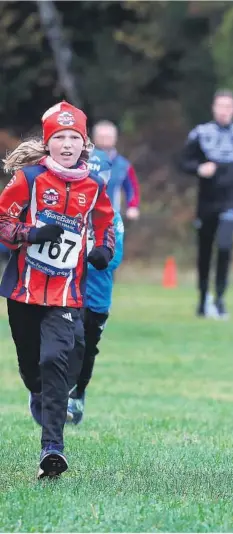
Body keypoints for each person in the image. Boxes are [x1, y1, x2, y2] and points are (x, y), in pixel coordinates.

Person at [0, 101, 115, 478]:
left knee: (56, 361)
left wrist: (103, 250)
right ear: (48, 142)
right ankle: (38, 392)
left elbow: (106, 225)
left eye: (74, 138)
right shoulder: (29, 179)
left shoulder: (94, 185)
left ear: (84, 144)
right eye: (60, 137)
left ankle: (52, 449)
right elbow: (2, 220)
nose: (67, 144)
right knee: (33, 369)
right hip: (24, 293)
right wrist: (29, 234)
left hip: (66, 295)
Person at [180, 89, 233, 319]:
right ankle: (203, 299)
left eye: (228, 107)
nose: (223, 111)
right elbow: (182, 161)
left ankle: (220, 298)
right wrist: (199, 168)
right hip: (206, 201)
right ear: (213, 108)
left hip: (231, 200)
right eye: (219, 106)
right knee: (204, 251)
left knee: (224, 246)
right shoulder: (201, 133)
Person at [67, 149, 125, 424]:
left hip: (98, 298)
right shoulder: (67, 209)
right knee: (67, 344)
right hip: (67, 294)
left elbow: (113, 259)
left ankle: (78, 394)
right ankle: (56, 396)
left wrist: (81, 260)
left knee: (87, 349)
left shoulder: (112, 216)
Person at [91, 120, 141, 221]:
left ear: (115, 138)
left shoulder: (123, 165)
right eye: (101, 137)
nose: (105, 140)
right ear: (94, 138)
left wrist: (132, 206)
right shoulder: (83, 160)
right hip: (84, 216)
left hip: (111, 217)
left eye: (108, 137)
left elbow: (132, 187)